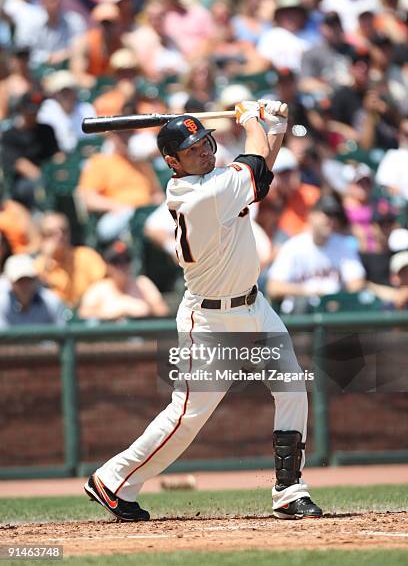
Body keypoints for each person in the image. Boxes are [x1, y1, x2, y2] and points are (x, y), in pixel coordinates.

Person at [84, 100, 323, 521]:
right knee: (187, 415)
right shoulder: (201, 194)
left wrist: (276, 126)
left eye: (207, 143)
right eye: (194, 149)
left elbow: (260, 173)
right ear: (171, 161)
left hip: (254, 304)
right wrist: (251, 118)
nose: (206, 152)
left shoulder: (212, 181)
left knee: (291, 387)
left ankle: (289, 490)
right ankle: (113, 478)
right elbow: (252, 163)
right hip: (211, 319)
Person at [266, 195, 366, 314]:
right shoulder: (294, 246)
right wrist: (310, 291)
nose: (330, 220)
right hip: (300, 314)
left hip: (334, 311)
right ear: (311, 216)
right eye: (326, 214)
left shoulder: (343, 245)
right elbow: (273, 287)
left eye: (334, 216)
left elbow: (357, 283)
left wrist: (335, 297)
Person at [78, 240, 169, 320]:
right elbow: (83, 314)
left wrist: (145, 309)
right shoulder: (98, 288)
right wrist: (110, 314)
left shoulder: (142, 284)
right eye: (116, 261)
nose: (122, 265)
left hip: (143, 336)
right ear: (108, 266)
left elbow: (163, 311)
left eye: (126, 259)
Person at [35, 212, 106, 308]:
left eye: (63, 231)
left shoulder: (85, 255)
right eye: (51, 233)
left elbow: (104, 283)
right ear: (42, 238)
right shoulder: (38, 264)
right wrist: (47, 258)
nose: (59, 236)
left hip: (86, 311)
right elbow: (36, 295)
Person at [0, 254, 67, 327]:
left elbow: (62, 334)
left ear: (35, 280)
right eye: (20, 281)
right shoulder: (2, 303)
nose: (25, 286)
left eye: (29, 280)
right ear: (11, 282)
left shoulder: (51, 301)